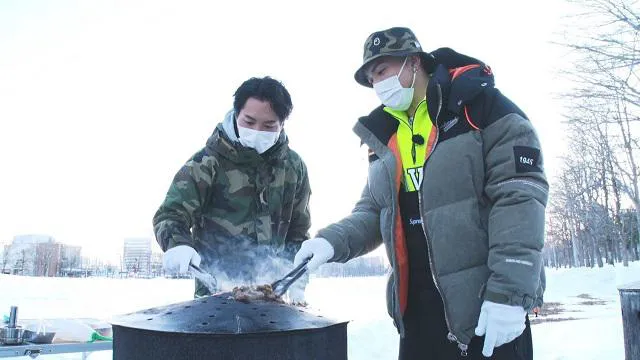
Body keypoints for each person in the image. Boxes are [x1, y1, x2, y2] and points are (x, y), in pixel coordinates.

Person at [293, 27, 547, 359]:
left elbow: (518, 196)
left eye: (381, 70)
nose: (376, 84)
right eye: (371, 79)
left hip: (484, 309)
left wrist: (510, 294)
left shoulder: (481, 109)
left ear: (413, 63)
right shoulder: (386, 137)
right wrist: (329, 242)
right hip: (418, 315)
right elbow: (373, 211)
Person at [154, 76, 311, 300]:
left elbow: (298, 231)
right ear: (236, 115)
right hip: (215, 293)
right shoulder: (207, 163)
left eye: (268, 126)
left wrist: (296, 277)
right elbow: (170, 215)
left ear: (282, 124)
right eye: (249, 121)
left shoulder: (293, 168)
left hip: (272, 296)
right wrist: (177, 244)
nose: (257, 130)